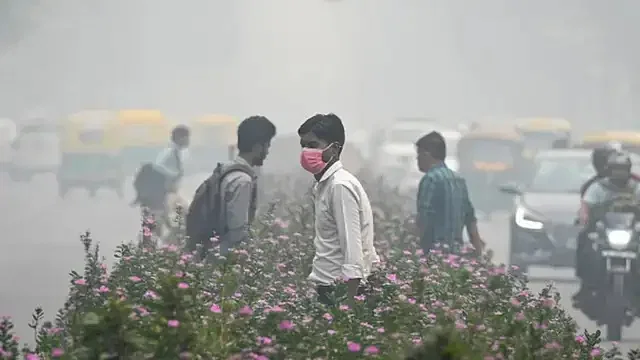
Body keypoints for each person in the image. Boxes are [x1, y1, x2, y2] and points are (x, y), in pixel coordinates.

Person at [298, 113, 380, 305]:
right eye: (303, 145)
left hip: (338, 291)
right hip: (328, 287)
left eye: (312, 145)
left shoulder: (340, 186)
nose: (305, 152)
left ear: (333, 149)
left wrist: (347, 306)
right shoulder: (325, 185)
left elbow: (352, 249)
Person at [574, 151, 640, 303]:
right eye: (616, 169)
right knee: (585, 242)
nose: (619, 173)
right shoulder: (598, 186)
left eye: (622, 169)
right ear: (609, 170)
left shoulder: (636, 186)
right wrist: (584, 217)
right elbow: (586, 204)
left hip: (631, 232)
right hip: (604, 232)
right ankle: (586, 285)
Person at [213, 115, 276, 255]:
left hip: (212, 250)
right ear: (258, 147)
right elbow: (237, 230)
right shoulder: (243, 181)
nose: (267, 152)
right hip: (225, 258)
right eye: (267, 146)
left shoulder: (225, 170)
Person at [416, 131, 484, 255]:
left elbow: (424, 219)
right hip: (455, 256)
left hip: (434, 255)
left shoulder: (430, 179)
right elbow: (470, 220)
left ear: (426, 155)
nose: (417, 159)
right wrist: (478, 252)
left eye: (418, 154)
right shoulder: (458, 179)